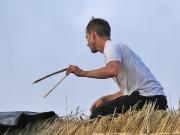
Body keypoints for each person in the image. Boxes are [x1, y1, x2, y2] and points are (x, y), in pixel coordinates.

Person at [66, 18, 167, 119]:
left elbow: (112, 70)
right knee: (103, 108)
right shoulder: (117, 49)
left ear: (92, 34)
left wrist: (82, 73)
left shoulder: (110, 47)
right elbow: (128, 92)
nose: (87, 43)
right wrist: (105, 99)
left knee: (98, 113)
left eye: (86, 37)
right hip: (155, 100)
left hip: (150, 100)